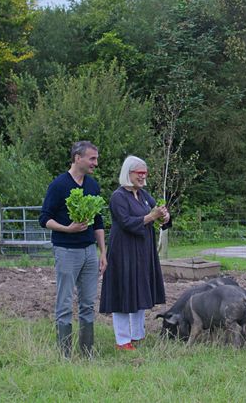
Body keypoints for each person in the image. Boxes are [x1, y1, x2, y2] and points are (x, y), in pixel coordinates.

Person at [39, 141, 107, 359]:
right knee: (65, 303)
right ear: (78, 158)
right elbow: (44, 219)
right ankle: (65, 355)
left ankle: (87, 353)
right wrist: (67, 229)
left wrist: (103, 252)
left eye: (96, 159)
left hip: (89, 252)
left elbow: (98, 222)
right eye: (92, 158)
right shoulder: (59, 185)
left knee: (88, 303)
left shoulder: (92, 185)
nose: (95, 163)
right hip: (66, 251)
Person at [99, 155, 170, 350]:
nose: (143, 176)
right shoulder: (118, 197)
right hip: (123, 253)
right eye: (139, 173)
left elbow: (157, 214)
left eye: (145, 173)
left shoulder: (144, 195)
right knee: (123, 293)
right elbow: (127, 223)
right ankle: (122, 341)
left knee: (139, 291)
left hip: (142, 252)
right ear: (128, 173)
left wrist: (164, 217)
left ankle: (137, 335)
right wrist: (151, 216)